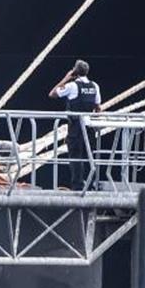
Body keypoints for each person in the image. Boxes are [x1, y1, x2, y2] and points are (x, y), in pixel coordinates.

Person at [49, 59, 102, 191]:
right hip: (89, 126)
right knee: (89, 156)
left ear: (75, 72)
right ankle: (91, 185)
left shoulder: (72, 86)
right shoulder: (94, 86)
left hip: (76, 127)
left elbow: (52, 94)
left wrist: (66, 78)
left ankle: (78, 187)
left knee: (75, 156)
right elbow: (98, 108)